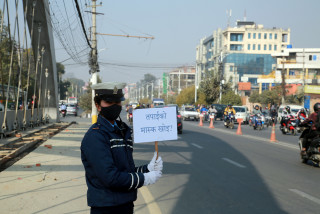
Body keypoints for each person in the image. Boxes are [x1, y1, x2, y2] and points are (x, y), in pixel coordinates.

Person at [81, 82, 163, 214]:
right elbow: (111, 178)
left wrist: (147, 169)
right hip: (106, 207)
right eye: (109, 102)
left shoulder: (122, 130)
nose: (114, 105)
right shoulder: (95, 136)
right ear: (98, 105)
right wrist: (144, 178)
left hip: (126, 204)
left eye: (117, 101)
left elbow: (125, 170)